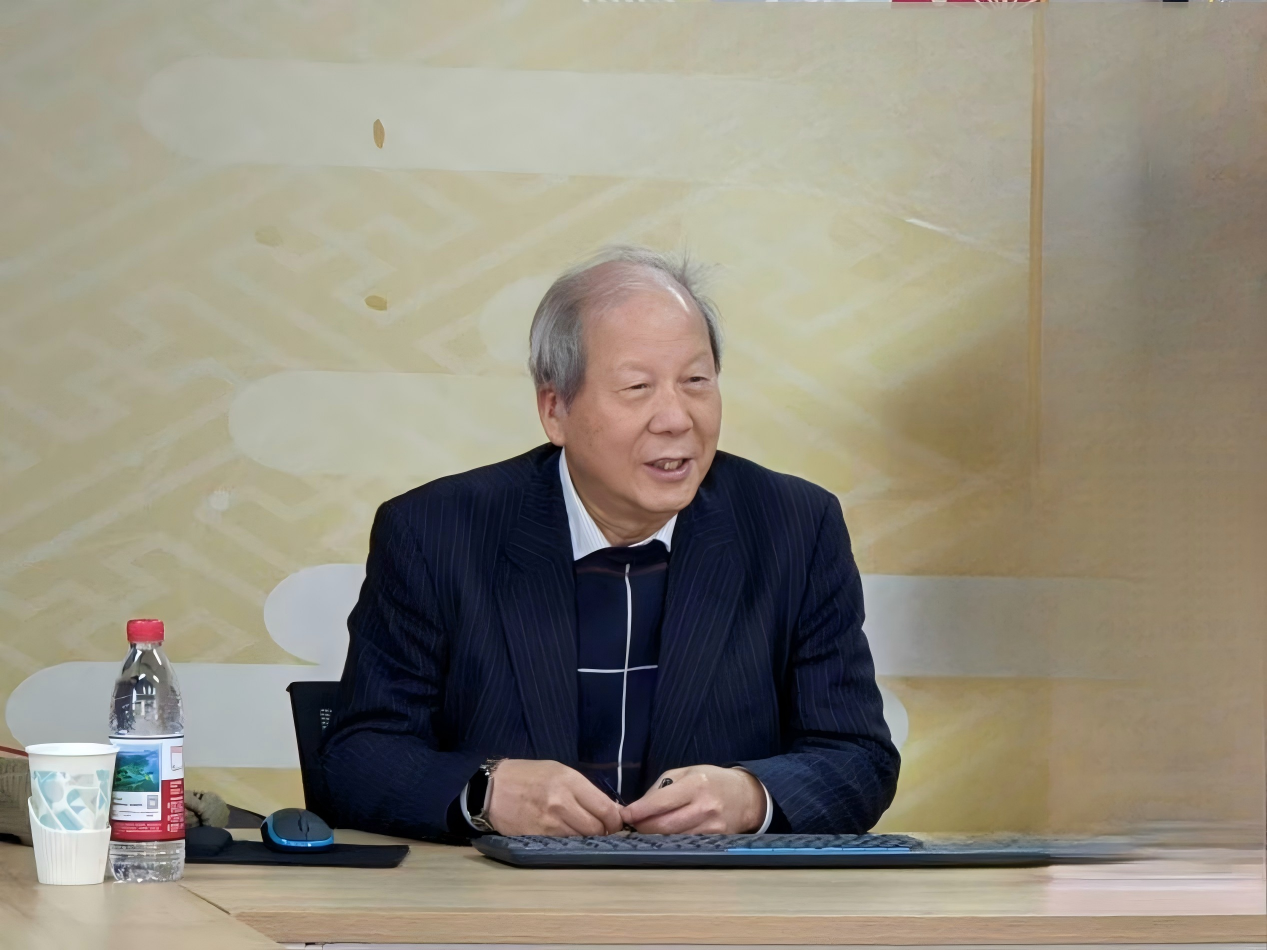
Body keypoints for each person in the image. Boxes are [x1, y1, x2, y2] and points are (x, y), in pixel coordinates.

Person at [320, 246, 899, 839]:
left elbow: (858, 756)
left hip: (712, 894)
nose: (676, 418)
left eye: (696, 381)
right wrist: (483, 791)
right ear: (555, 409)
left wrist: (752, 797)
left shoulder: (794, 527)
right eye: (638, 386)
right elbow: (357, 757)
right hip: (506, 894)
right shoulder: (435, 532)